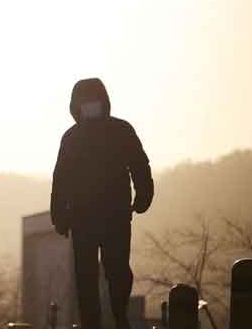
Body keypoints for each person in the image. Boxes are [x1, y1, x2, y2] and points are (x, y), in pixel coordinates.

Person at [51, 78, 154, 329]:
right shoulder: (75, 138)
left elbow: (139, 165)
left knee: (114, 272)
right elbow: (61, 179)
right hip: (96, 217)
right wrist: (60, 216)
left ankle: (116, 318)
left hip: (110, 217)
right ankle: (99, 322)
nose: (90, 107)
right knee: (93, 276)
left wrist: (143, 196)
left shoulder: (117, 131)